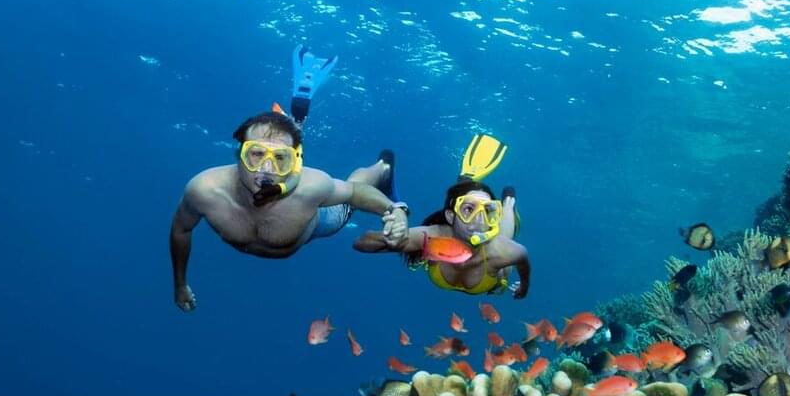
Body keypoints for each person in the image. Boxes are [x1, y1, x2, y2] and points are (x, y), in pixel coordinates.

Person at [169, 105, 408, 311]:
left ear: (293, 164)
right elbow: (181, 229)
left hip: (318, 222)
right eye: (256, 154)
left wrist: (395, 209)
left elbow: (354, 192)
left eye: (280, 158)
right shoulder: (204, 190)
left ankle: (383, 168)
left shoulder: (310, 188)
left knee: (348, 202)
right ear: (239, 154)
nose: (267, 169)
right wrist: (180, 284)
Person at [355, 176, 530, 298]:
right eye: (469, 209)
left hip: (494, 276)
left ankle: (508, 202)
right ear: (450, 216)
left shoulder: (504, 251)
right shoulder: (432, 236)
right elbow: (360, 243)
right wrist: (390, 239)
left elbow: (523, 262)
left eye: (488, 210)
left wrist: (523, 286)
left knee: (506, 231)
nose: (479, 220)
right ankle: (467, 186)